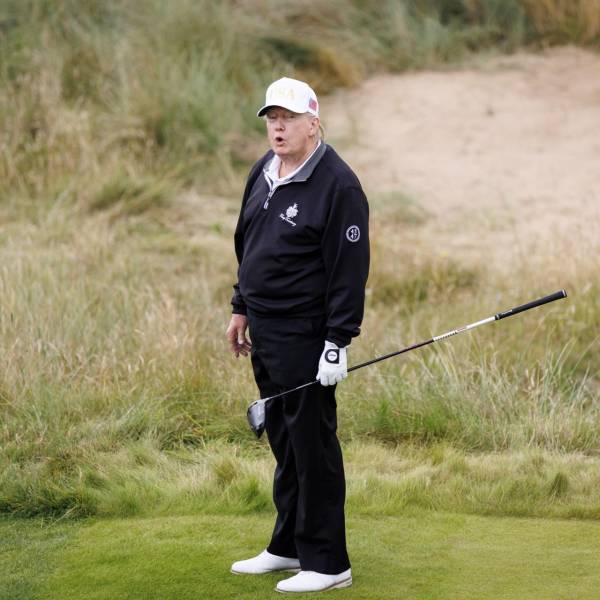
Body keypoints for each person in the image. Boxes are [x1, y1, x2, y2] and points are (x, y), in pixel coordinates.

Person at [226, 77, 369, 594]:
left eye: (288, 118)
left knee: (313, 446)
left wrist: (337, 342)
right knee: (285, 443)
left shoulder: (338, 185)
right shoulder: (264, 170)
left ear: (314, 123)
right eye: (272, 118)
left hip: (306, 335)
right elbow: (249, 245)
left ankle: (329, 562)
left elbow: (348, 271)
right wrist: (241, 307)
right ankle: (288, 545)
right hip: (264, 331)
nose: (278, 127)